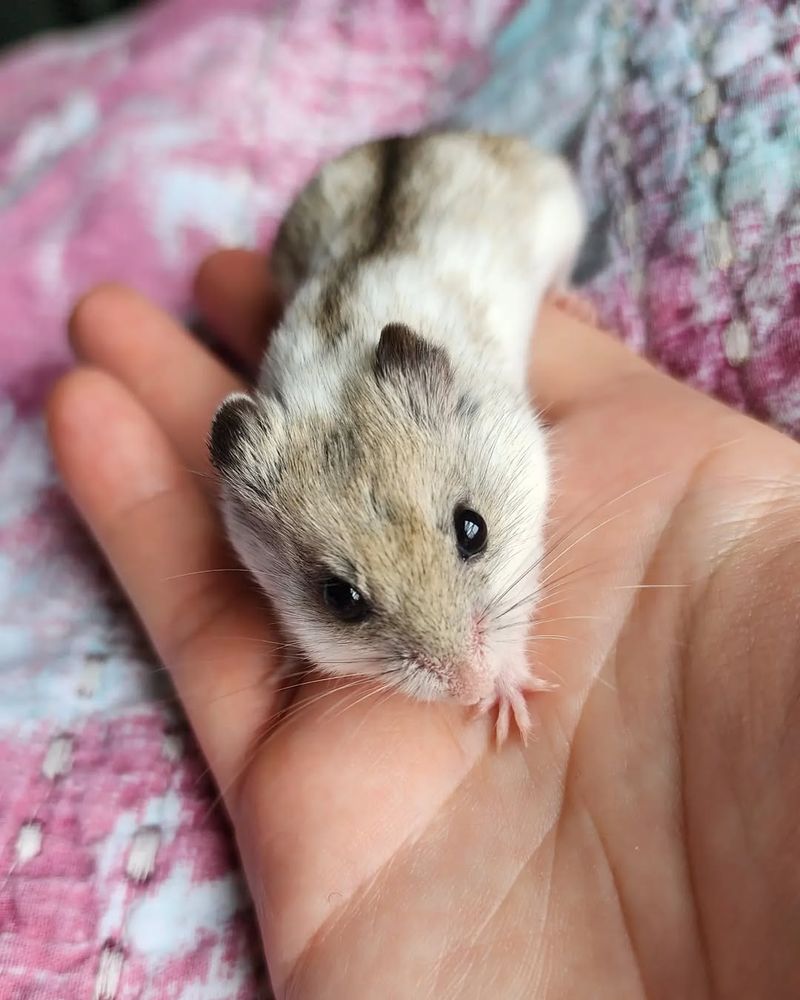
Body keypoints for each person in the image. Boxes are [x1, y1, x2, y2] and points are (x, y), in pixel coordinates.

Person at [48, 249, 800, 998]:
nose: (462, 674)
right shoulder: (270, 508)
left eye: (468, 533)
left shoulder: (474, 428)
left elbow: (517, 460)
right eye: (348, 599)